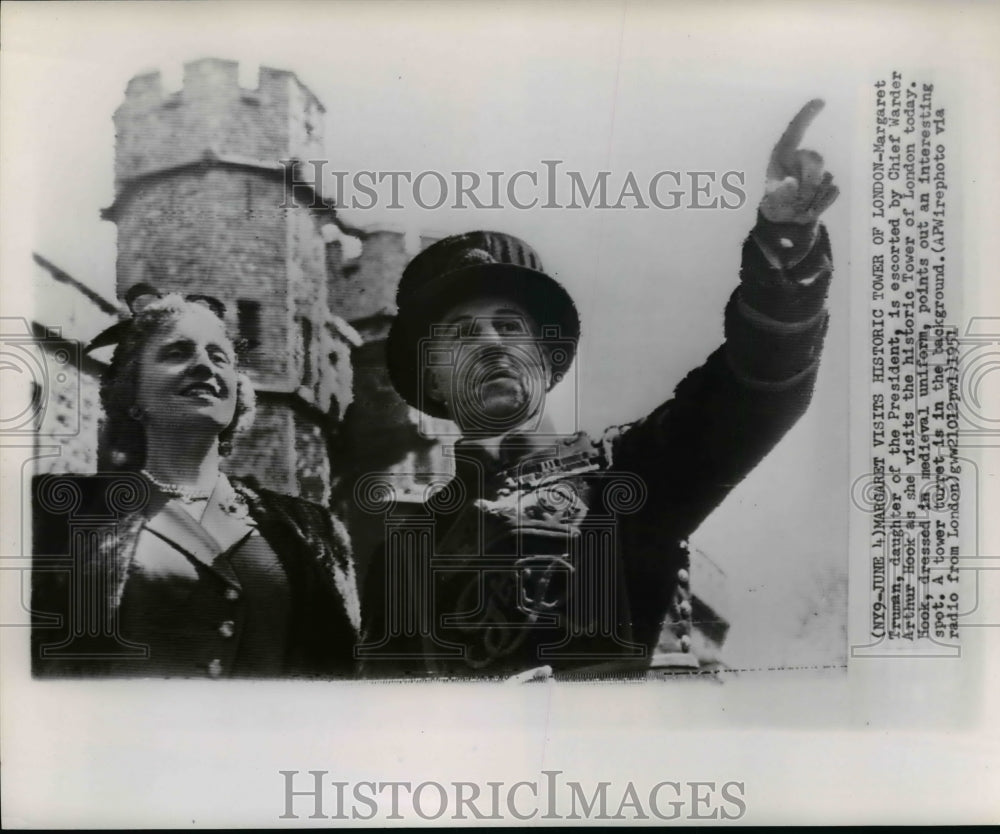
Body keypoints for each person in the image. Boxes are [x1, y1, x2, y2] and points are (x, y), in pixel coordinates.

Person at [359, 100, 839, 679]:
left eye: (509, 327)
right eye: (461, 334)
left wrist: (784, 242)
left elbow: (756, 390)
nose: (489, 345)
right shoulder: (406, 552)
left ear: (545, 353)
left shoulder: (629, 472)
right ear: (431, 373)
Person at [31, 288, 361, 678]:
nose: (204, 365)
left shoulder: (312, 530)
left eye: (218, 356)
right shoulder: (61, 513)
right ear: (131, 392)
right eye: (177, 352)